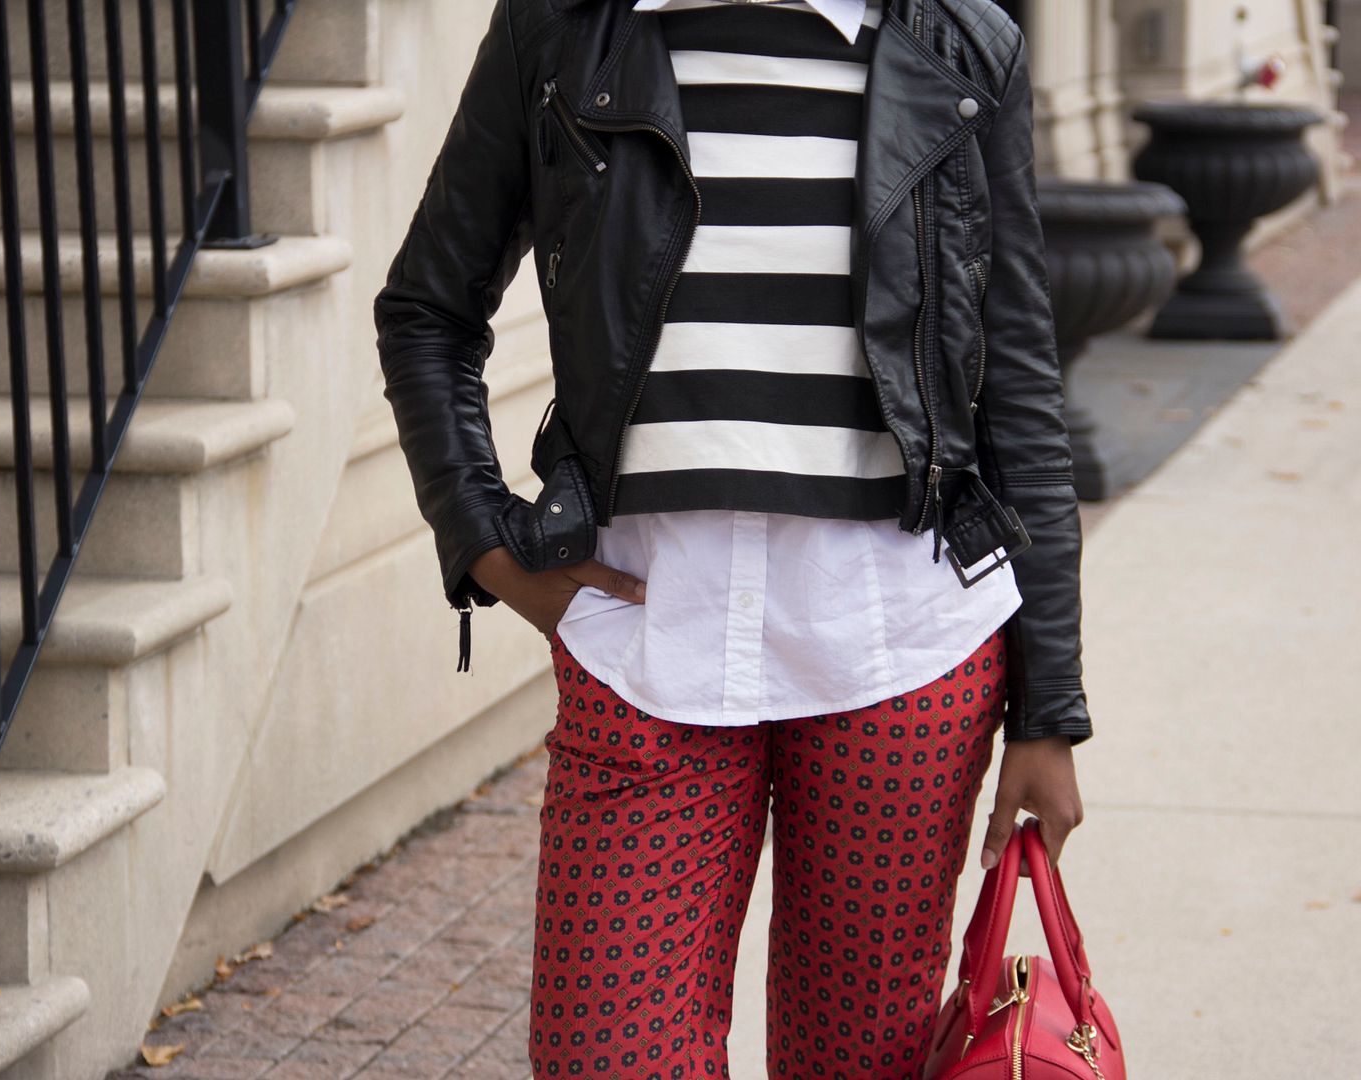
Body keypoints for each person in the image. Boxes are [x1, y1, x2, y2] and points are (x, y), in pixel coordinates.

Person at [373, 0, 1092, 1075]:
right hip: (646, 643)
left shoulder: (955, 37)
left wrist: (1051, 707)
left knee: (857, 1061)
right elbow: (427, 308)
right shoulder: (563, 29)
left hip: (902, 648)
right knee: (605, 1054)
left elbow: (1019, 378)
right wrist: (485, 543)